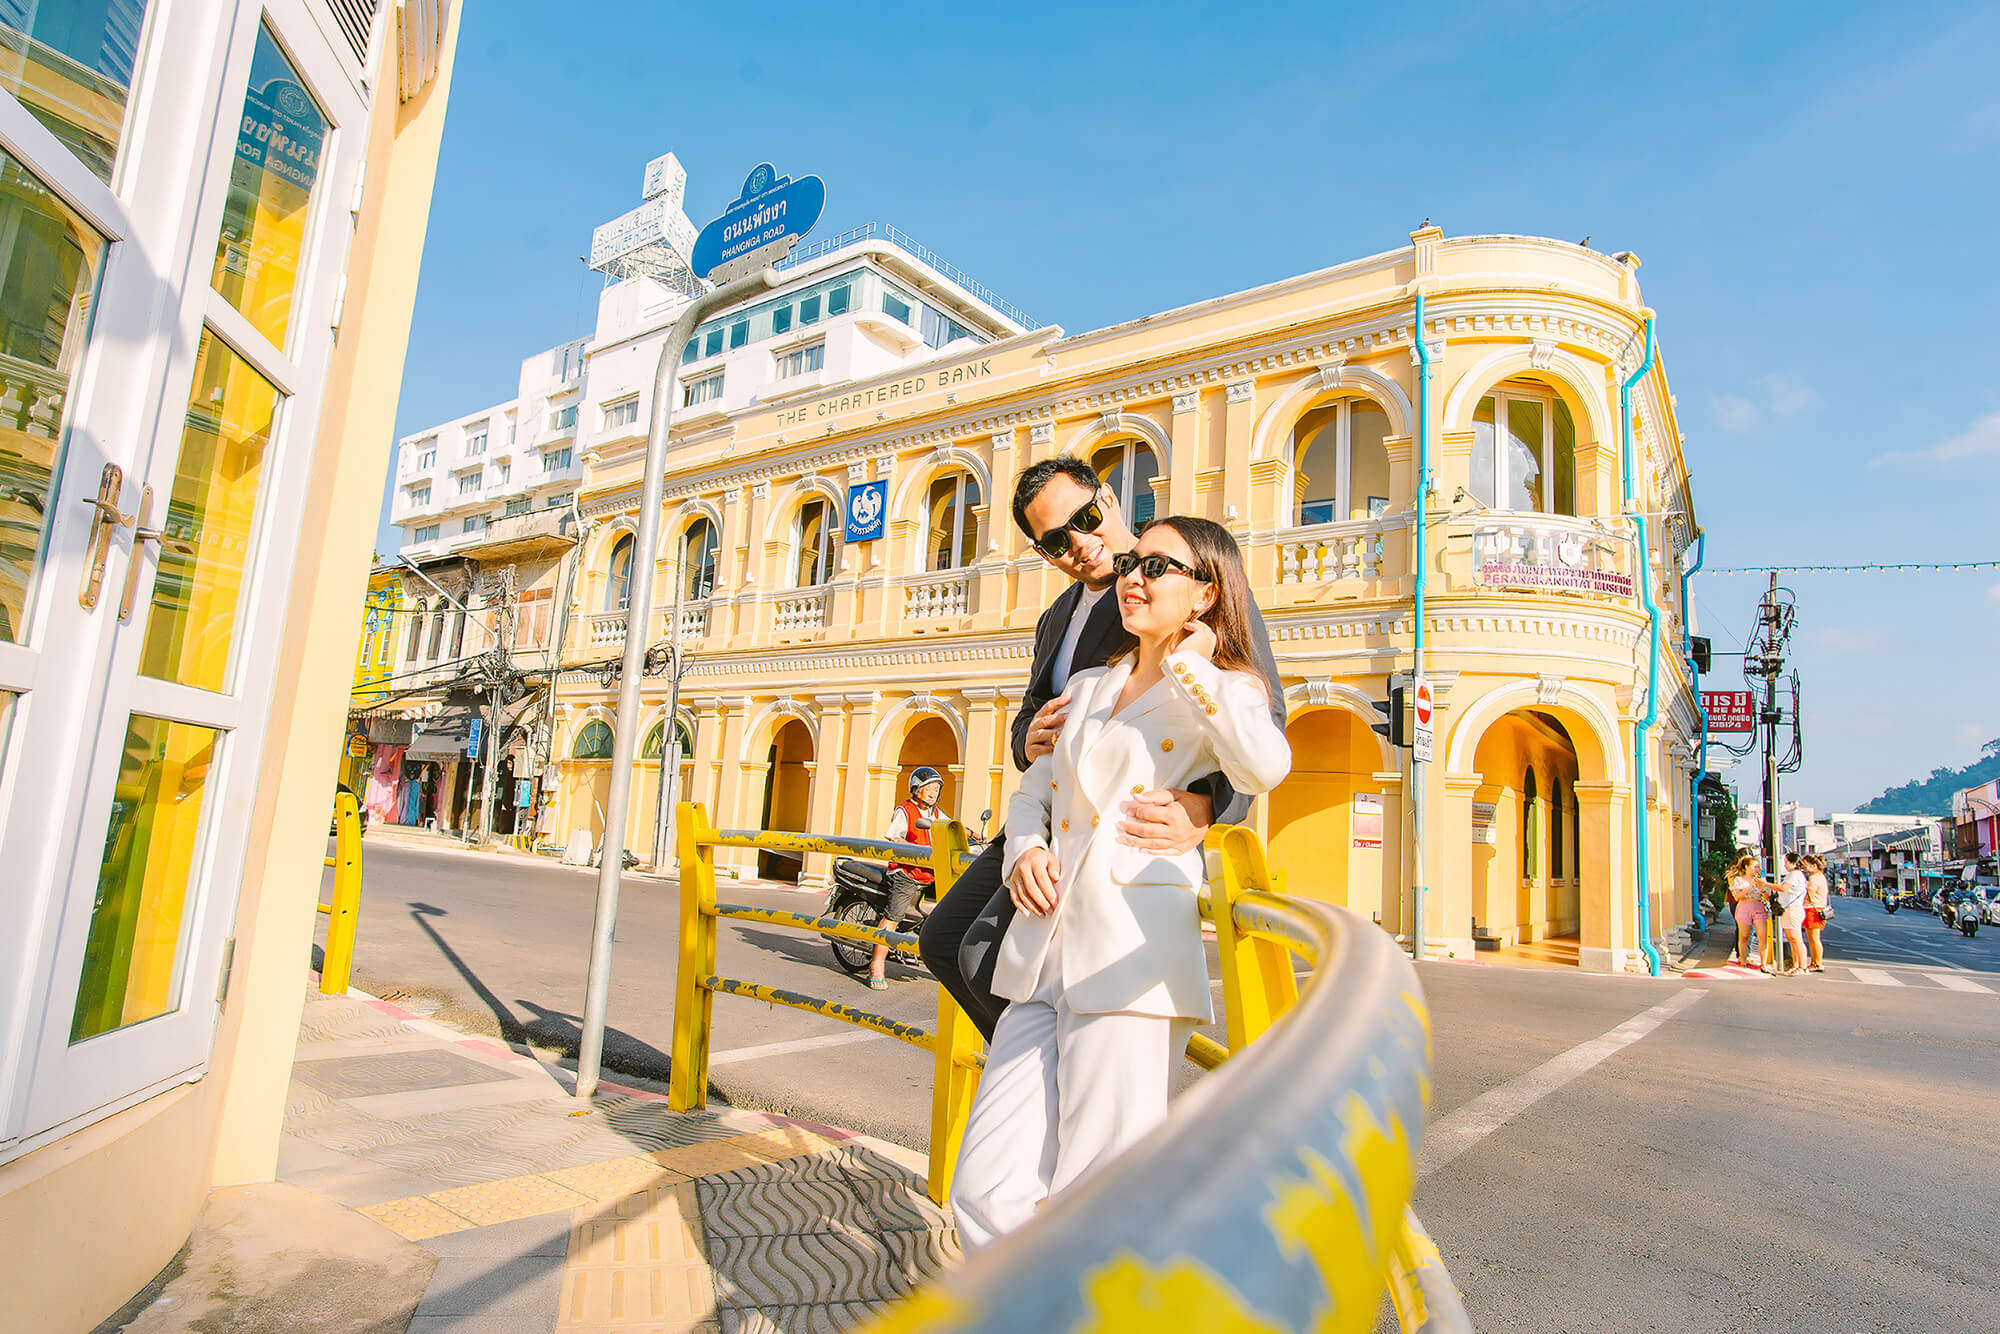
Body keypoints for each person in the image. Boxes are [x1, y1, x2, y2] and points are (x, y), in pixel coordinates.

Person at [949, 516, 1292, 1249]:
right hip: (1043, 955)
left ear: (1205, 594)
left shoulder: (1223, 687)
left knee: (1098, 1192)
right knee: (984, 1186)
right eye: (1134, 560)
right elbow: (1032, 792)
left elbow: (1263, 768)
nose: (1133, 576)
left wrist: (1194, 667)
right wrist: (1024, 852)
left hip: (1131, 959)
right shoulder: (1089, 683)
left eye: (1159, 567)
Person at [917, 458, 1284, 1041]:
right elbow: (1030, 719)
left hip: (1120, 832)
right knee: (942, 941)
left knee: (980, 955)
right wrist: (1028, 736)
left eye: (1086, 519)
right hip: (1047, 814)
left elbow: (1263, 716)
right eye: (1057, 541)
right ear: (1043, 553)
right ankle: (1040, 1073)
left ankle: (1047, 1074)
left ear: (1109, 499)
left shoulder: (1179, 584)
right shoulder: (1055, 618)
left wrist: (1209, 804)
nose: (1081, 545)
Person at [871, 767, 945, 991]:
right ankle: (877, 965)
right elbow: (894, 838)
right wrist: (917, 851)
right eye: (928, 788)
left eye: (936, 789)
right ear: (916, 789)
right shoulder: (905, 810)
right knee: (893, 916)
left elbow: (954, 827)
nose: (933, 793)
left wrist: (978, 836)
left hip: (929, 872)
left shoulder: (936, 814)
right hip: (906, 872)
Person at [1726, 852, 1770, 971]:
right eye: (1755, 866)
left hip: (1758, 906)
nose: (1758, 869)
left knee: (1762, 936)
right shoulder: (1738, 880)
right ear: (1747, 867)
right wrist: (1750, 886)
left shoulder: (1761, 879)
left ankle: (1764, 963)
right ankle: (1743, 960)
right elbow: (1737, 897)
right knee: (1744, 936)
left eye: (1758, 867)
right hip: (1744, 906)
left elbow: (1767, 896)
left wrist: (1762, 888)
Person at [1775, 852, 1809, 976]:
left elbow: (1783, 888)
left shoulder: (1795, 874)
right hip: (1789, 909)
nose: (1785, 864)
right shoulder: (1795, 874)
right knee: (1792, 939)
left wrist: (1766, 884)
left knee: (1796, 939)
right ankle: (1796, 965)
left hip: (1793, 909)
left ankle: (1802, 966)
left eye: (1787, 862)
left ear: (1794, 863)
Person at [1802, 853, 1831, 972]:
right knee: (1813, 938)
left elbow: (1810, 896)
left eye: (1806, 865)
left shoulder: (1814, 878)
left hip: (1813, 909)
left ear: (1814, 866)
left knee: (1814, 938)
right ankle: (1815, 961)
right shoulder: (1821, 876)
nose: (1804, 868)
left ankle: (1817, 962)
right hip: (1818, 908)